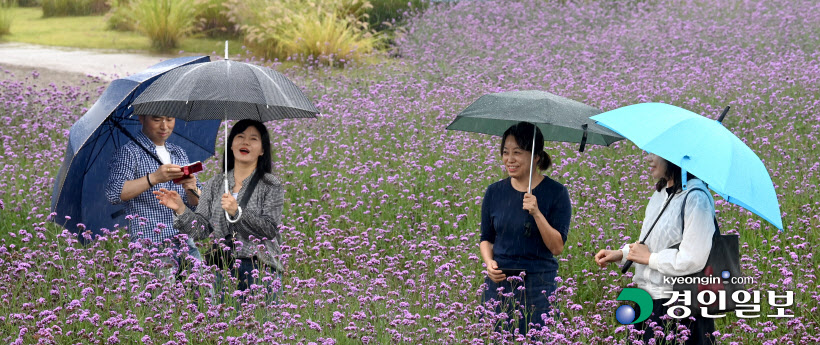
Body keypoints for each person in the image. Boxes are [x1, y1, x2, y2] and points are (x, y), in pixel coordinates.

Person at [154, 119, 285, 301]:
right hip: (222, 268)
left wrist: (237, 212)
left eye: (253, 139)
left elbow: (269, 229)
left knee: (261, 327)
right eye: (240, 137)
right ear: (231, 145)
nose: (245, 142)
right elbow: (201, 231)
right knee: (226, 327)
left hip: (261, 270)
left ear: (262, 150)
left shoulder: (270, 185)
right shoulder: (217, 183)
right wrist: (181, 209)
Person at [594, 152, 716, 344]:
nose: (649, 158)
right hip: (648, 301)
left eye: (655, 153)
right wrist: (622, 254)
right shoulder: (660, 194)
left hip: (680, 306)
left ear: (674, 156)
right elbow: (651, 243)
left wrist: (650, 259)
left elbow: (693, 259)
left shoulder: (696, 198)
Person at [480, 122, 572, 335]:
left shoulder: (556, 193)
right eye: (505, 152)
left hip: (538, 285)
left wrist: (537, 213)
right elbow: (487, 238)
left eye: (517, 153)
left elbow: (557, 247)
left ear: (537, 156)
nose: (509, 160)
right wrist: (489, 263)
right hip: (500, 282)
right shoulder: (494, 192)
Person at [106, 115, 203, 264]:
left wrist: (191, 188)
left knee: (202, 286)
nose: (164, 126)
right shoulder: (129, 153)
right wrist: (154, 178)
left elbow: (196, 203)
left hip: (184, 241)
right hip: (150, 245)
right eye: (157, 120)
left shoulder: (178, 152)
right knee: (163, 288)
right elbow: (114, 193)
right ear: (142, 118)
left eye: (170, 119)